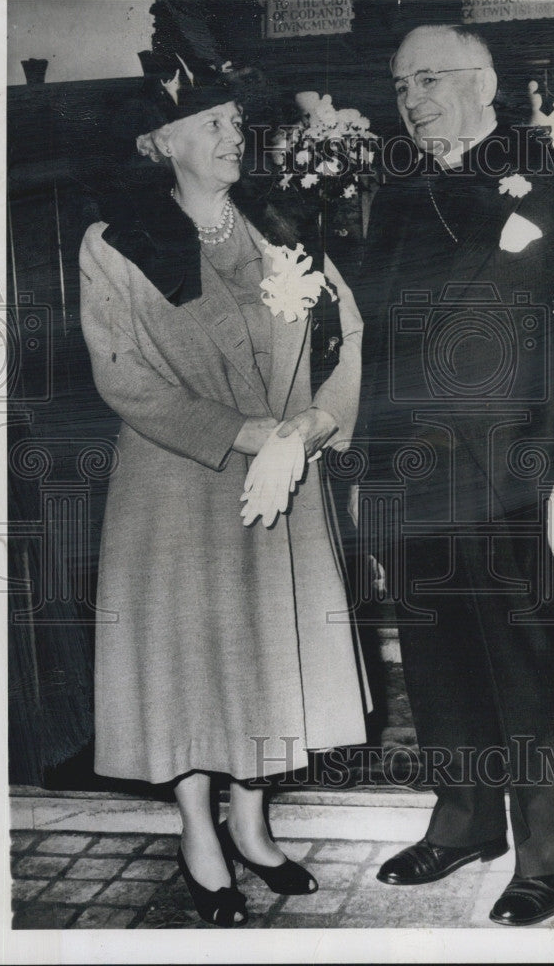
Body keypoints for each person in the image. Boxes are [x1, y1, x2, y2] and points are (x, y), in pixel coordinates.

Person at [79, 66, 369, 927]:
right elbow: (126, 380)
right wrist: (255, 439)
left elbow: (345, 337)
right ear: (159, 143)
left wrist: (308, 429)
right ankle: (198, 834)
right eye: (209, 123)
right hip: (180, 483)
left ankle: (253, 824)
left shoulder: (283, 228)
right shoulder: (116, 240)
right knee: (188, 661)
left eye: (235, 119)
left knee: (265, 651)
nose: (232, 135)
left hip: (284, 483)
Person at [354, 24, 554, 926]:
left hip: (524, 470)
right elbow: (379, 348)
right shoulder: (396, 197)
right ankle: (465, 822)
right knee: (438, 661)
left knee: (534, 662)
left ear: (487, 82)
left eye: (431, 78)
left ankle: (545, 850)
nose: (414, 99)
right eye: (401, 86)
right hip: (422, 473)